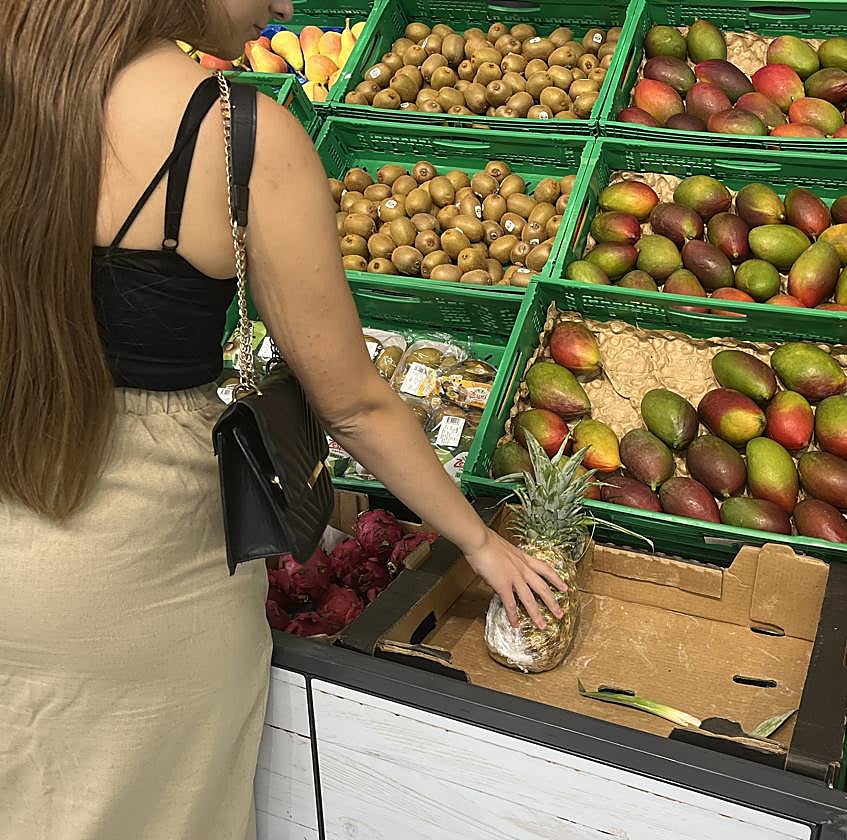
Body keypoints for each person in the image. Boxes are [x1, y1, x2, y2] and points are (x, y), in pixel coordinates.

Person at [0, 1, 568, 837]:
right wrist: (479, 542)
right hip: (143, 583)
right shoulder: (237, 134)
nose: (291, 7)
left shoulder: (22, 82)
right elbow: (353, 404)